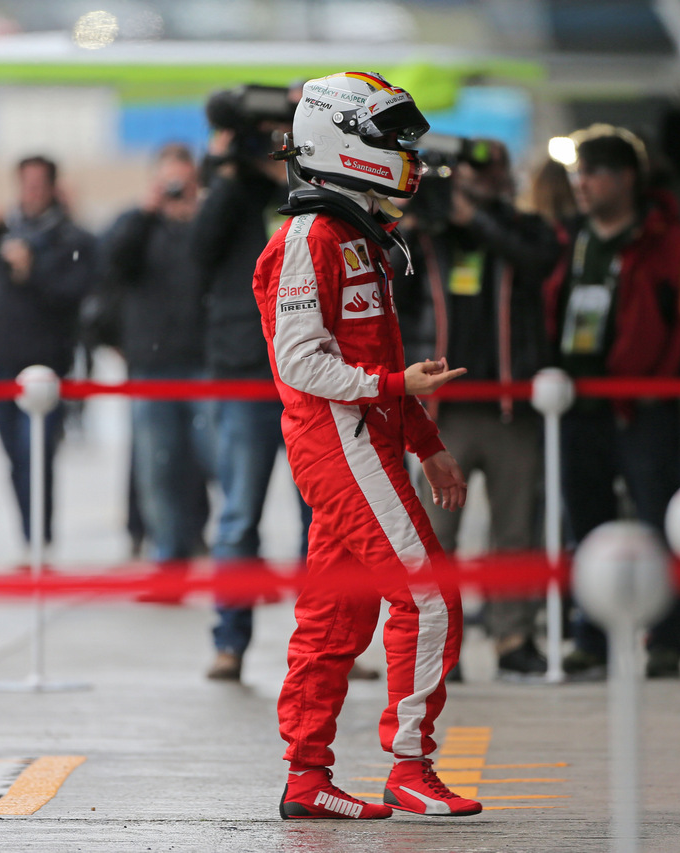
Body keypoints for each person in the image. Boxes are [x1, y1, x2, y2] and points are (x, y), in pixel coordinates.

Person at [256, 71, 481, 820]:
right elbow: (300, 362)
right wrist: (394, 389)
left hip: (363, 441)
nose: (406, 154)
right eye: (391, 139)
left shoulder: (358, 234)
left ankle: (306, 775)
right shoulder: (308, 237)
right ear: (341, 142)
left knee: (335, 618)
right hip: (341, 444)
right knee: (431, 598)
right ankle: (411, 765)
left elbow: (376, 354)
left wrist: (427, 440)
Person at [398, 139, 566, 678]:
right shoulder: (425, 235)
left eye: (489, 172)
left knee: (516, 530)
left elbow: (540, 260)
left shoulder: (523, 230)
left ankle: (513, 638)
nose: (476, 179)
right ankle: (438, 646)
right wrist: (435, 212)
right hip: (441, 411)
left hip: (511, 406)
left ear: (505, 177)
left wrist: (481, 217)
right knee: (436, 536)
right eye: (466, 174)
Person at [551, 125, 680, 679]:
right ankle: (590, 640)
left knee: (661, 523)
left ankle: (667, 640)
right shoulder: (568, 238)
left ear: (626, 178)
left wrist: (658, 385)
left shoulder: (671, 240)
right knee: (583, 525)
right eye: (577, 174)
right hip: (577, 406)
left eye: (593, 172)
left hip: (645, 408)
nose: (582, 184)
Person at [192, 84, 315, 681]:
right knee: (239, 516)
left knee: (319, 516)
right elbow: (199, 249)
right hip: (244, 370)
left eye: (284, 133)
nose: (275, 142)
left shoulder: (311, 192)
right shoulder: (232, 192)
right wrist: (227, 171)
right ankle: (229, 641)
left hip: (309, 374)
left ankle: (326, 643)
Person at [0, 155, 97, 556]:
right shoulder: (2, 230)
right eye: (25, 182)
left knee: (38, 452)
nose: (31, 191)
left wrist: (33, 270)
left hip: (47, 361)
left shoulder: (71, 238)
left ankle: (40, 538)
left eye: (38, 183)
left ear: (51, 187)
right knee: (13, 454)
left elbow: (75, 296)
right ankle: (28, 535)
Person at [101, 143, 213, 565]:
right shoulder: (137, 224)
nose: (175, 188)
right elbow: (110, 261)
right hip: (151, 364)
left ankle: (204, 537)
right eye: (168, 180)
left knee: (213, 459)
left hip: (203, 361)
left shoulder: (206, 224)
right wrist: (147, 212)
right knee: (157, 468)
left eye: (183, 180)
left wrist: (198, 211)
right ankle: (167, 551)